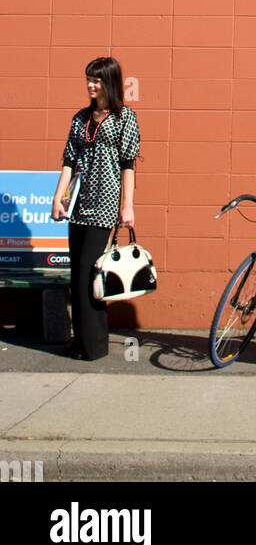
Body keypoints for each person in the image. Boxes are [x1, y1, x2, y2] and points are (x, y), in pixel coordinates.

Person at [51, 57, 140, 361]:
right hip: (78, 204)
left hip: (104, 204)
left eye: (97, 80)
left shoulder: (125, 118)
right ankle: (84, 342)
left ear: (110, 82)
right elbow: (68, 160)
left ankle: (92, 346)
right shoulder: (80, 118)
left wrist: (127, 207)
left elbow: (128, 165)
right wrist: (58, 197)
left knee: (90, 273)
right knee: (77, 273)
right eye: (89, 79)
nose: (91, 85)